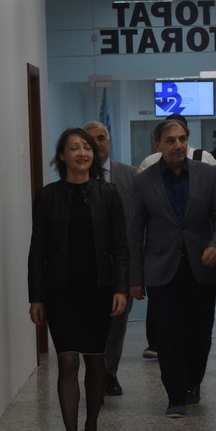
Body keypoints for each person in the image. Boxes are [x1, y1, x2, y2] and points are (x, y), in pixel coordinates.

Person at [28, 127, 129, 431]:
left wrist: (121, 288)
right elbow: (37, 250)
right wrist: (36, 296)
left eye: (87, 147)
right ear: (62, 156)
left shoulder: (108, 193)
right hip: (61, 291)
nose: (82, 153)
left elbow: (120, 246)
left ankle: (92, 428)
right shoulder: (48, 196)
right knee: (68, 362)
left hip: (99, 291)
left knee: (96, 363)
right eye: (74, 148)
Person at [128, 117, 216, 417]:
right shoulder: (143, 181)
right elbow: (134, 232)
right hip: (162, 269)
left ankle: (192, 383)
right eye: (171, 140)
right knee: (168, 334)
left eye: (182, 139)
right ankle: (174, 395)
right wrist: (135, 279)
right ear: (157, 145)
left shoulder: (207, 174)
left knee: (200, 333)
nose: (178, 145)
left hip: (201, 266)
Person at [83, 121, 138, 396]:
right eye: (90, 140)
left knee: (117, 322)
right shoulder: (75, 176)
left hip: (121, 264)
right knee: (90, 322)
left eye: (102, 138)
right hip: (86, 265)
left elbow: (139, 223)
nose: (98, 144)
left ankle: (109, 372)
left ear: (109, 140)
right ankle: (94, 372)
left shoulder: (130, 175)